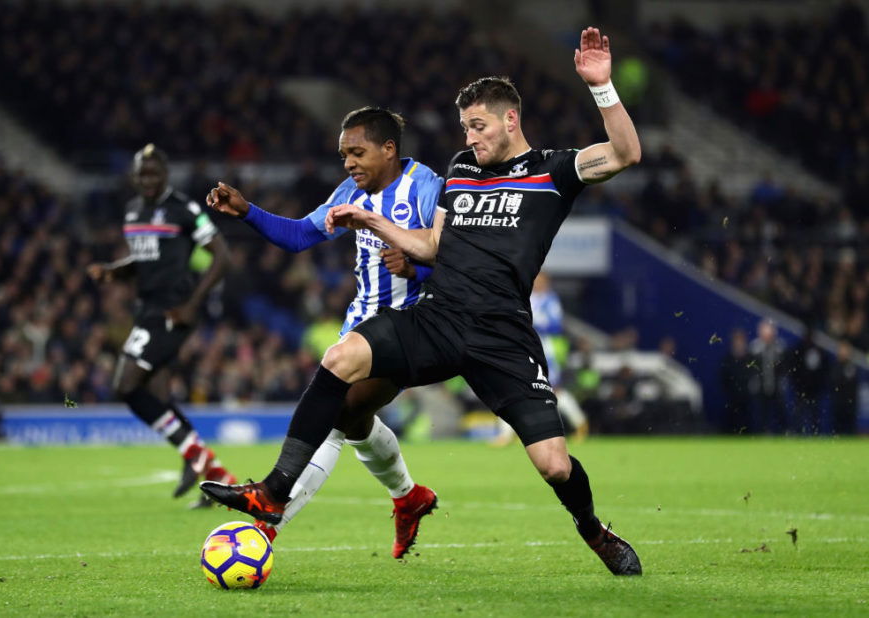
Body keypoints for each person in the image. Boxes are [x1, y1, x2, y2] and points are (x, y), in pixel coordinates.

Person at [203, 27, 643, 576]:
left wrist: (601, 87)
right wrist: (370, 220)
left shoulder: (552, 170)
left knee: (554, 465)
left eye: (478, 126)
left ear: (511, 120)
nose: (470, 137)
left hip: (502, 333)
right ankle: (272, 493)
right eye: (466, 127)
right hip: (438, 317)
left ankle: (593, 530)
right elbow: (432, 245)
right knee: (340, 359)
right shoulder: (461, 170)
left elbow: (626, 153)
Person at [206, 107, 443, 558]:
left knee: (334, 419)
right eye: (344, 155)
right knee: (354, 424)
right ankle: (408, 497)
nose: (349, 163)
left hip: (410, 328)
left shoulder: (426, 187)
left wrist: (417, 269)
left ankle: (265, 527)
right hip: (360, 327)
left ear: (388, 149)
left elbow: (455, 255)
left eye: (357, 152)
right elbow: (300, 236)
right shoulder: (353, 190)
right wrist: (246, 211)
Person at [87, 144, 236, 507]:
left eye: (154, 173)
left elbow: (222, 257)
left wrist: (192, 304)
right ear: (134, 176)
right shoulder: (133, 210)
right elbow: (144, 259)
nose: (148, 180)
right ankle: (217, 478)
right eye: (142, 174)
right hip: (147, 310)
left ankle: (194, 456)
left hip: (172, 312)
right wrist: (113, 271)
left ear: (166, 174)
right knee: (157, 398)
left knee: (126, 386)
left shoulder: (184, 209)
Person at [492, 272, 588, 445]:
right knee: (511, 385)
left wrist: (532, 322)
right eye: (535, 280)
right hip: (523, 346)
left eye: (540, 281)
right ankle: (505, 433)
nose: (536, 283)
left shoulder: (550, 300)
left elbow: (555, 324)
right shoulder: (524, 296)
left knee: (553, 389)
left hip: (546, 348)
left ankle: (579, 423)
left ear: (546, 283)